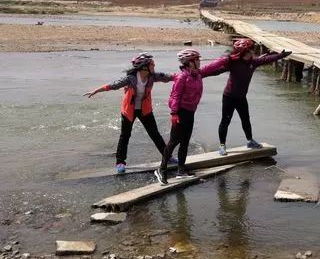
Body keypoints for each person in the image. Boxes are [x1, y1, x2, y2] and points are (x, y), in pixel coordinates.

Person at [84, 53, 174, 174]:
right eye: (152, 64)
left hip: (144, 110)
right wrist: (96, 91)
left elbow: (168, 77)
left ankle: (168, 157)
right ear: (144, 67)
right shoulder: (130, 78)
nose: (154, 66)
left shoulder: (152, 76)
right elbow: (113, 85)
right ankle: (120, 162)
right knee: (125, 136)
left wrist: (183, 75)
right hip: (129, 110)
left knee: (155, 134)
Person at [154, 49, 224, 185]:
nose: (199, 61)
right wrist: (174, 113)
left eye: (198, 59)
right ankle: (161, 170)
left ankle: (181, 170)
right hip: (180, 112)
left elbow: (212, 66)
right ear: (189, 63)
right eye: (196, 59)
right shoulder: (182, 77)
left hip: (190, 112)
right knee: (173, 142)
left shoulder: (197, 74)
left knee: (185, 142)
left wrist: (227, 59)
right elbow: (175, 96)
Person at [209, 39, 291, 155]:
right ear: (244, 52)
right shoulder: (233, 63)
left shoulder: (254, 62)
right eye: (250, 51)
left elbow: (267, 59)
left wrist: (281, 55)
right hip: (229, 97)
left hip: (241, 97)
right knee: (225, 121)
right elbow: (217, 71)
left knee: (246, 120)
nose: (252, 52)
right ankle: (222, 146)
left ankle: (250, 141)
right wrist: (200, 74)